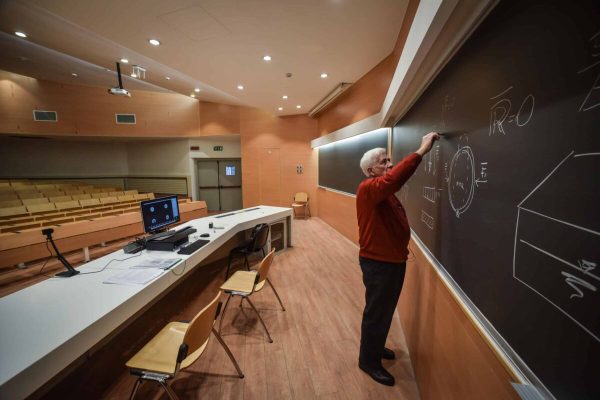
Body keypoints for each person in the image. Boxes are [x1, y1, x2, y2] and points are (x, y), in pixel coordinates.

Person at [356, 131, 439, 386]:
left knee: (384, 310)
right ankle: (368, 361)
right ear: (371, 170)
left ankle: (375, 347)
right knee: (377, 312)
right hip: (379, 264)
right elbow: (394, 179)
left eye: (389, 160)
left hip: (391, 262)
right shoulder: (369, 187)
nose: (389, 165)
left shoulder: (381, 190)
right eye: (384, 162)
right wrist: (421, 150)